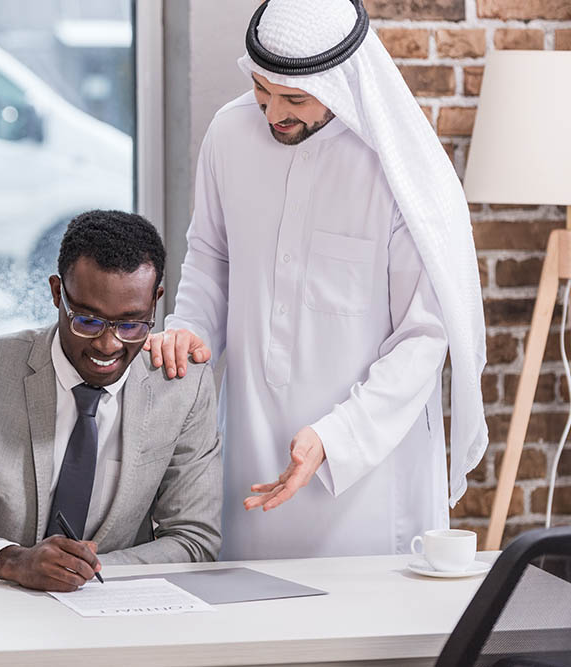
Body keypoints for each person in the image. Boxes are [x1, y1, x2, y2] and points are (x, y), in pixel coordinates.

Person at [147, 0, 488, 560]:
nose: (271, 111)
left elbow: (424, 337)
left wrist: (336, 437)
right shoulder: (229, 135)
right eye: (261, 89)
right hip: (254, 437)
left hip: (367, 463)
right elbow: (212, 256)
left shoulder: (396, 168)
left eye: (294, 98)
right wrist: (190, 326)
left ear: (341, 83)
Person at [0, 210, 222, 591]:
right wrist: (14, 561)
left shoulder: (181, 386)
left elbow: (194, 540)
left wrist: (79, 571)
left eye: (132, 324)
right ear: (57, 293)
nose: (109, 345)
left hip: (116, 610)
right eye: (87, 321)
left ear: (156, 302)